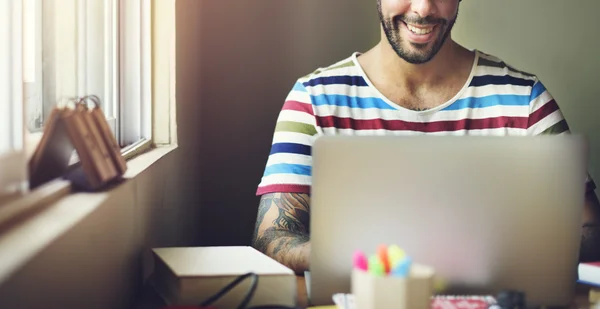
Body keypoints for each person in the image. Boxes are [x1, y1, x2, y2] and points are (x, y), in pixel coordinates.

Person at [251, 0, 600, 274]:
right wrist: (373, 255)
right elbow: (272, 237)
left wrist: (494, 251)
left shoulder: (525, 100)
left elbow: (591, 229)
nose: (423, 9)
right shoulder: (313, 99)